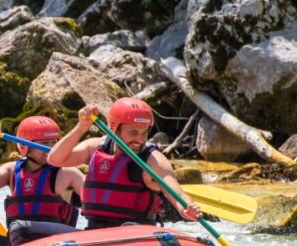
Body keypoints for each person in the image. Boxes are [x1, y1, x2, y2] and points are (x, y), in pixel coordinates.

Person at [46, 97, 201, 229]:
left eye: (144, 132)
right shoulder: (95, 147)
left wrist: (186, 207)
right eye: (133, 132)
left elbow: (175, 192)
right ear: (114, 128)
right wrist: (82, 127)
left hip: (136, 233)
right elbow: (55, 159)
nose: (140, 139)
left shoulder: (154, 160)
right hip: (95, 230)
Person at [0, 117, 85, 246]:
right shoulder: (11, 170)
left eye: (54, 143)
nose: (50, 149)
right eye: (44, 143)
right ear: (25, 146)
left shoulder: (67, 173)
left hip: (57, 241)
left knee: (19, 228)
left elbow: (95, 200)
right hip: (18, 237)